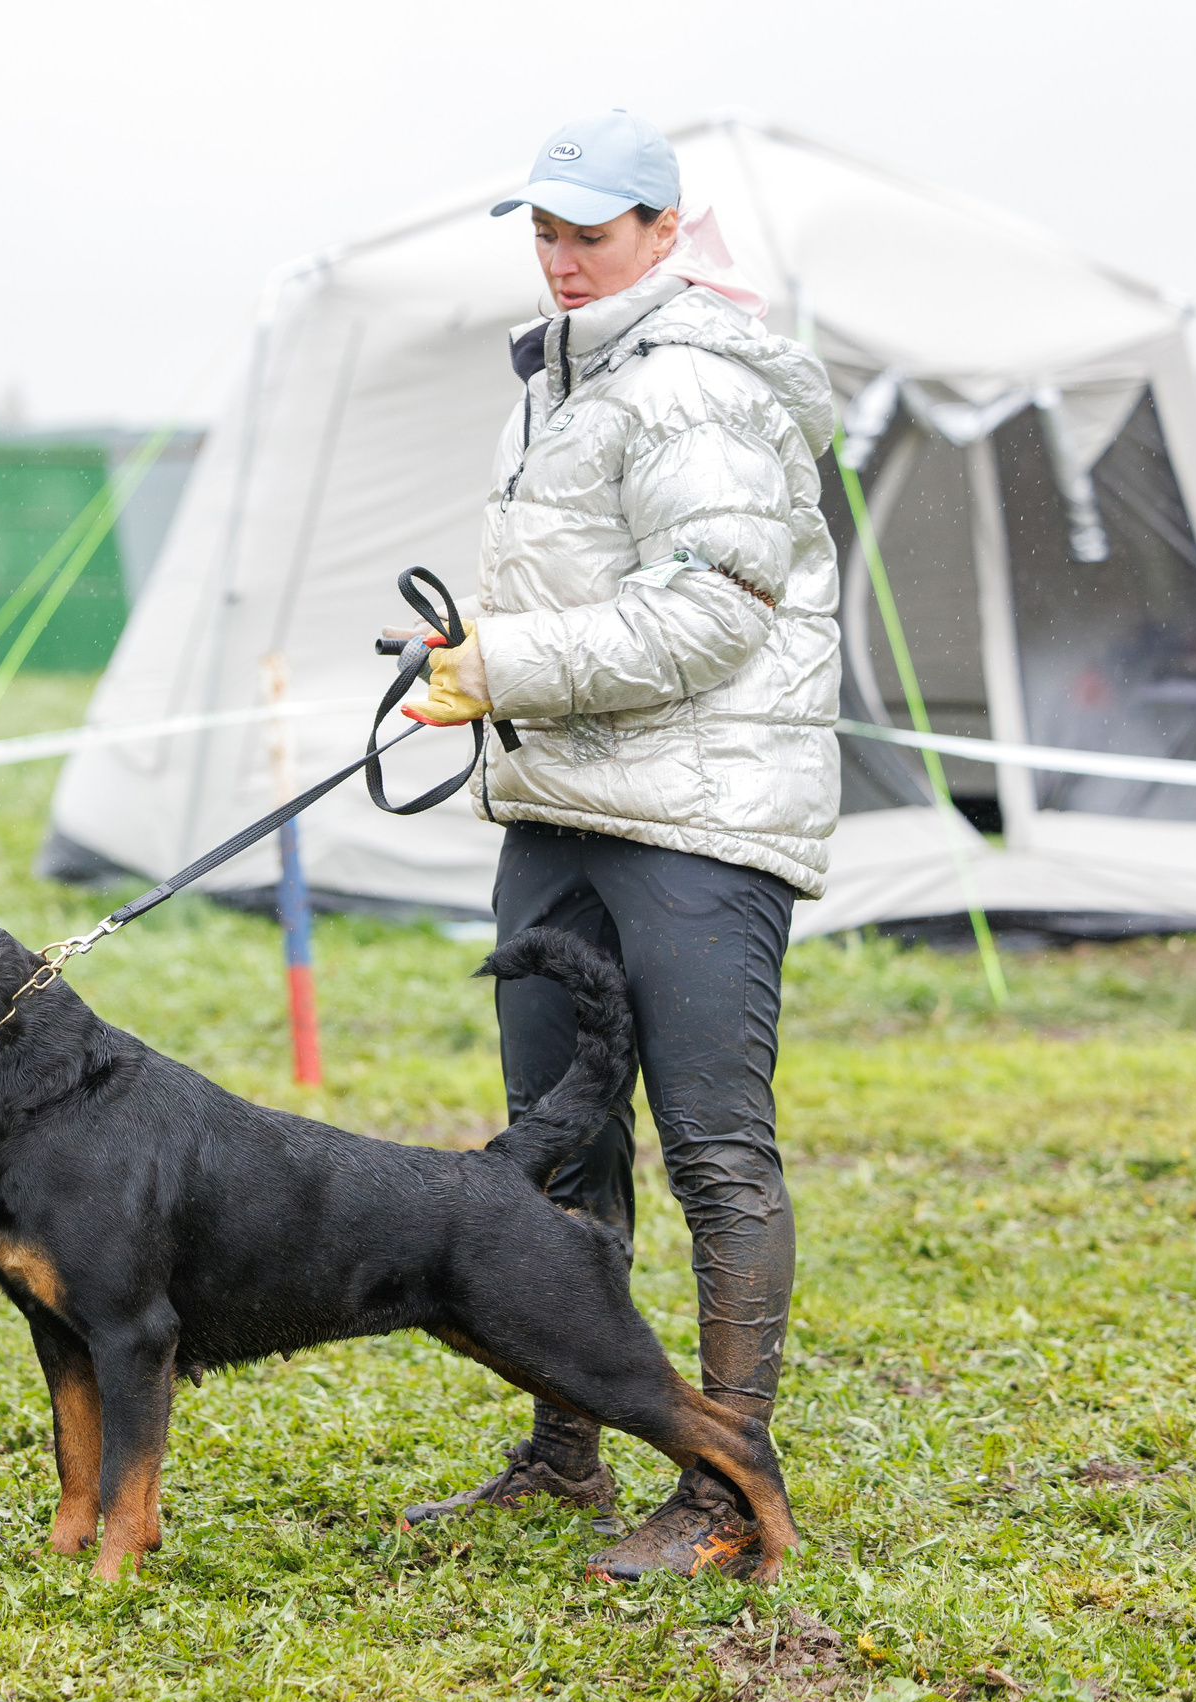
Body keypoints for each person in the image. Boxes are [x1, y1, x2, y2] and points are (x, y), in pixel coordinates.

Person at [390, 110, 839, 1581]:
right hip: (564, 809)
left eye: (593, 232)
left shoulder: (695, 384)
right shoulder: (561, 382)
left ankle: (726, 1490)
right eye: (546, 232)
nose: (564, 257)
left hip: (703, 822)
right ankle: (569, 1452)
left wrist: (500, 667)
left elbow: (717, 610)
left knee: (716, 1151)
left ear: (665, 229)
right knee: (557, 1144)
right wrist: (468, 658)